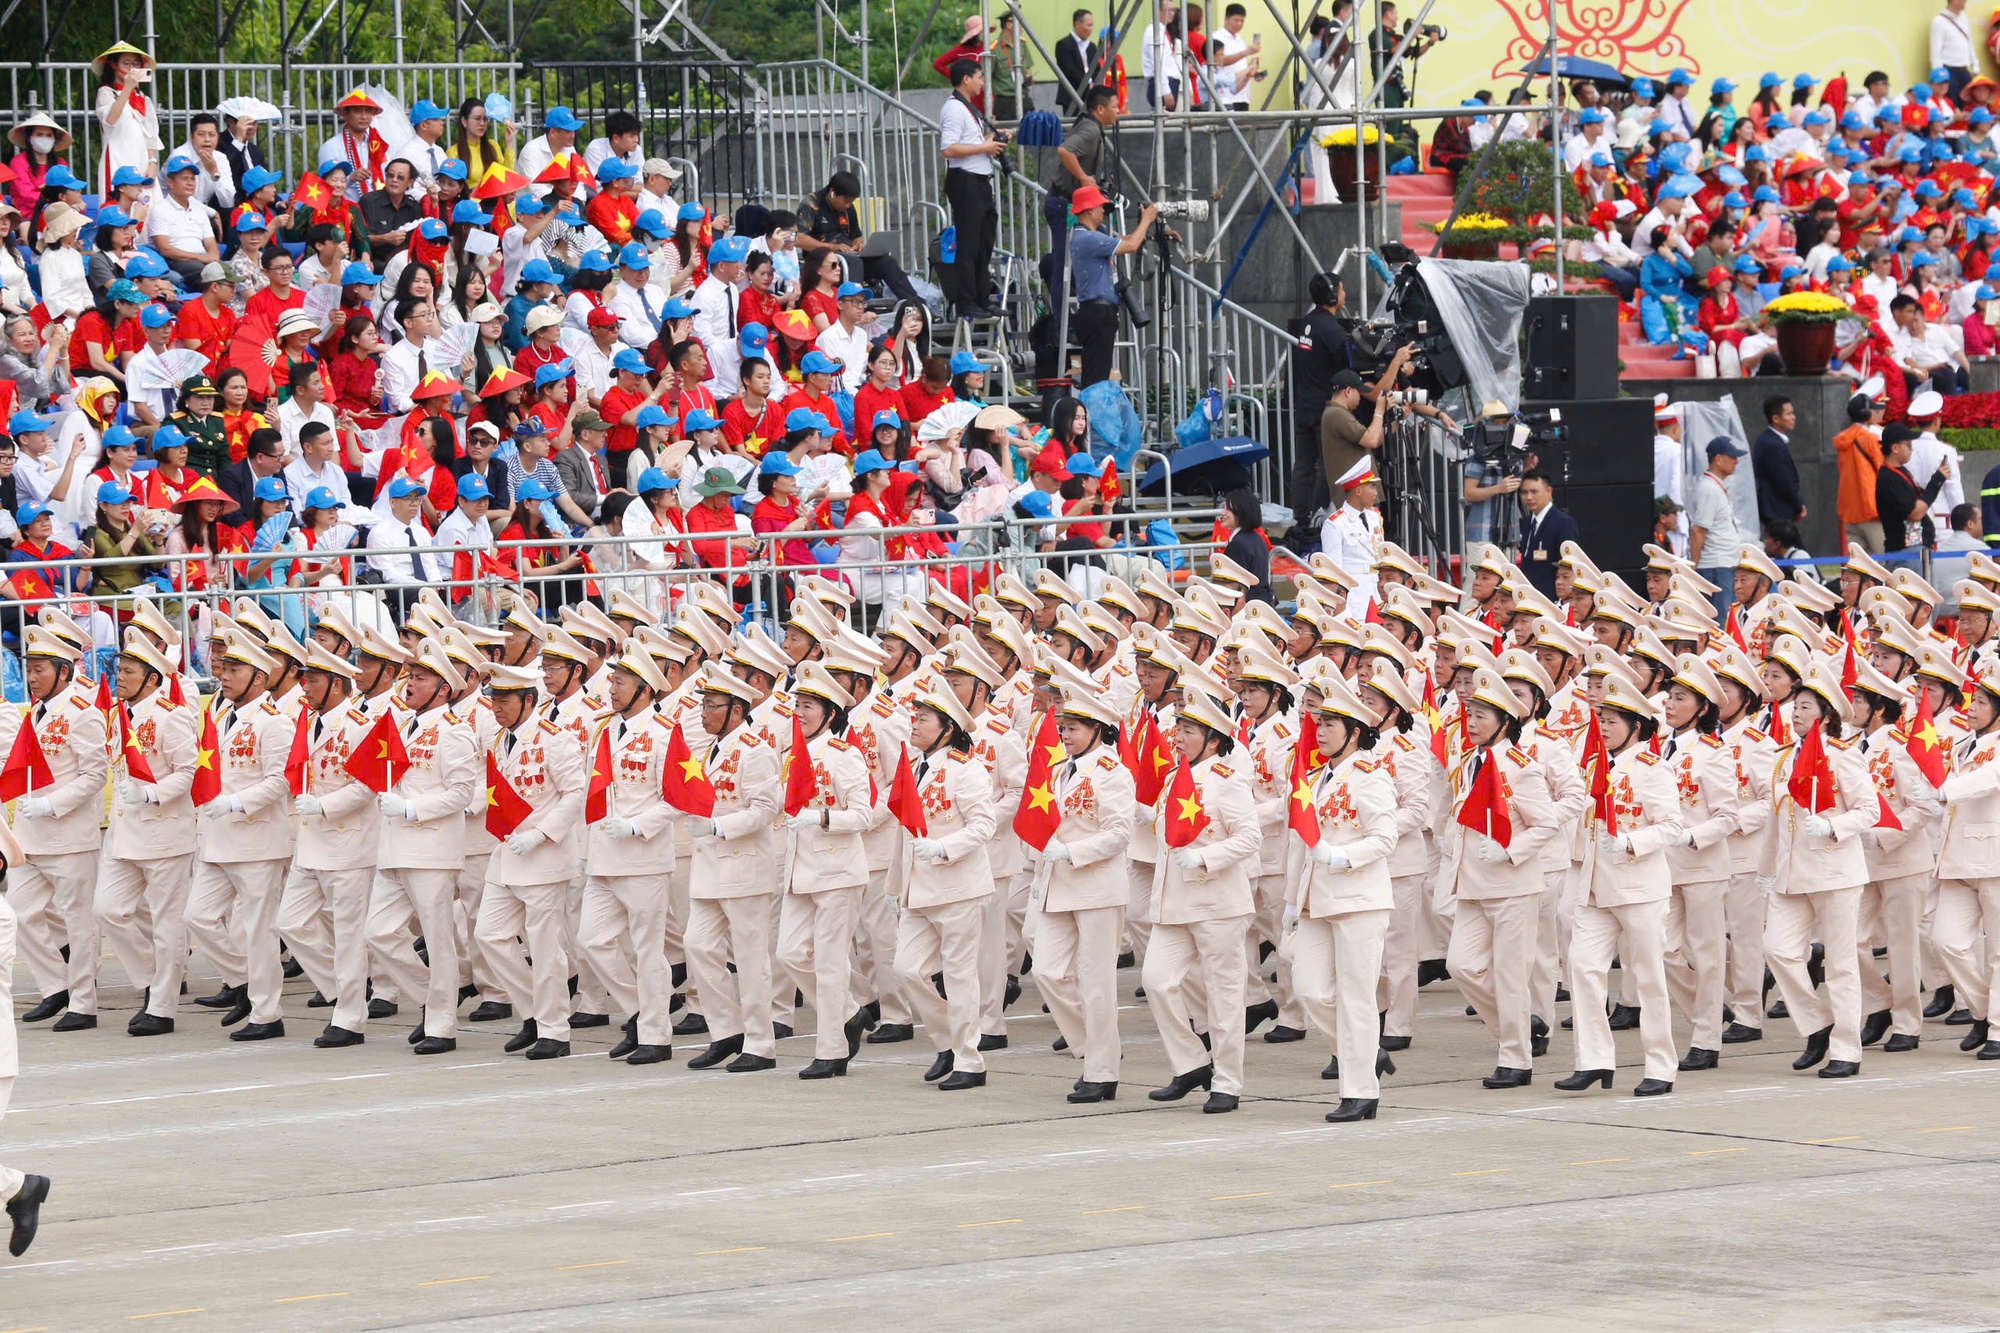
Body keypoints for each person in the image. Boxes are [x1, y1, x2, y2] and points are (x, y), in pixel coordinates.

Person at [1143, 687, 1260, 1113]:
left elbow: (1250, 837)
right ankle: (1192, 1063)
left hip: (1218, 904)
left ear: (1212, 739)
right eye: (1178, 727)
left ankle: (1227, 1081)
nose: (1177, 736)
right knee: (1157, 981)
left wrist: (1206, 858)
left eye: (1188, 729)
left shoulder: (1227, 780)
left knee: (1224, 995)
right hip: (1173, 904)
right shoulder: (1175, 778)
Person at [1291, 673, 1398, 1121]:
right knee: (1310, 989)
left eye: (1330, 725)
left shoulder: (1369, 775)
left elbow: (1385, 837)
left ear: (1355, 731)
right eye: (1318, 724)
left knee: (1356, 996)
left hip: (1358, 898)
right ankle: (1366, 1051)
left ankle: (1359, 1091)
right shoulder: (1318, 775)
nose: (1320, 732)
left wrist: (1340, 856)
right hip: (1317, 898)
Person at [896, 684, 999, 1091]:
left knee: (959, 977)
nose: (915, 724)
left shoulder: (965, 768)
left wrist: (942, 847)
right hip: (918, 889)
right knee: (906, 969)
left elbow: (983, 826)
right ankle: (947, 1042)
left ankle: (969, 1061)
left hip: (958, 887)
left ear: (947, 728)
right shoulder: (916, 765)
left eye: (924, 718)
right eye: (915, 716)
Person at [1035, 686, 1133, 1103]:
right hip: (1058, 884)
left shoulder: (1113, 772)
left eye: (1072, 728)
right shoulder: (1062, 769)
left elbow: (1119, 834)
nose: (1065, 736)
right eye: (1062, 727)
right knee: (1046, 971)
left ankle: (1102, 1072)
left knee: (1096, 982)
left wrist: (1072, 852)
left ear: (1097, 730)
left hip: (1096, 888)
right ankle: (1095, 1048)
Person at [1063, 187, 1157, 388]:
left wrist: (1148, 228)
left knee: (1097, 375)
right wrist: (1146, 220)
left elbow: (1126, 240)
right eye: (1100, 207)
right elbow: (1131, 245)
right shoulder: (1088, 238)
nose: (1104, 211)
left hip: (1096, 312)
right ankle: (1091, 415)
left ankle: (1089, 414)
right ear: (1088, 210)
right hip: (1098, 314)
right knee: (1096, 381)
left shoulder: (1088, 236)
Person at [940, 59, 1006, 320]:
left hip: (979, 181)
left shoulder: (968, 109)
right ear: (966, 79)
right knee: (968, 246)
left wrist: (991, 141)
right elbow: (949, 148)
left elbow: (968, 144)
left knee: (983, 243)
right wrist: (984, 148)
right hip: (965, 181)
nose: (982, 82)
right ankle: (966, 301)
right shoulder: (954, 109)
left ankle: (982, 297)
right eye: (979, 76)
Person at [1687, 437, 1754, 620]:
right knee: (1720, 619)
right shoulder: (1709, 489)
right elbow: (1698, 531)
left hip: (1722, 564)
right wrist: (1695, 568)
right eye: (1732, 456)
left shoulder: (1714, 487)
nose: (1736, 461)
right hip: (1715, 566)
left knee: (1728, 616)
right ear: (1718, 459)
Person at [1876, 424, 1950, 554]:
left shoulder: (1900, 471)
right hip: (1907, 550)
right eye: (1909, 445)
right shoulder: (1889, 478)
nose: (1912, 450)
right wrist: (1936, 481)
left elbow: (1914, 499)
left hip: (1915, 548)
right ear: (1895, 448)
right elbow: (1915, 513)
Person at [1321, 455, 1383, 606]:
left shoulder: (1375, 517)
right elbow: (1333, 571)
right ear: (1359, 491)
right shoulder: (1335, 524)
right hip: (1355, 596)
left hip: (1377, 592)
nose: (1376, 492)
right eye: (1372, 487)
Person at [1515, 470, 1580, 600]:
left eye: (1534, 492)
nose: (1528, 497)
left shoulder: (1563, 523)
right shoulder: (1524, 524)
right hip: (1528, 597)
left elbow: (1569, 565)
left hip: (1552, 599)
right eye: (1525, 492)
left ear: (1549, 491)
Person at [1055, 9, 1101, 113]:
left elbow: (1097, 68)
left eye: (1092, 25)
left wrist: (1095, 83)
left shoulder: (1092, 47)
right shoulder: (1064, 45)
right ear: (1077, 24)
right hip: (1072, 96)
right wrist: (1087, 84)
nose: (1091, 29)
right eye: (1088, 25)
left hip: (1090, 97)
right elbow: (1069, 70)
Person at [1934, 0, 1976, 104]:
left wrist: (1975, 67)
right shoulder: (1939, 21)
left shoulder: (1964, 19)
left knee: (1969, 105)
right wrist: (1939, 77)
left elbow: (1969, 43)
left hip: (1964, 70)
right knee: (1952, 105)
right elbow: (1936, 52)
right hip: (1948, 71)